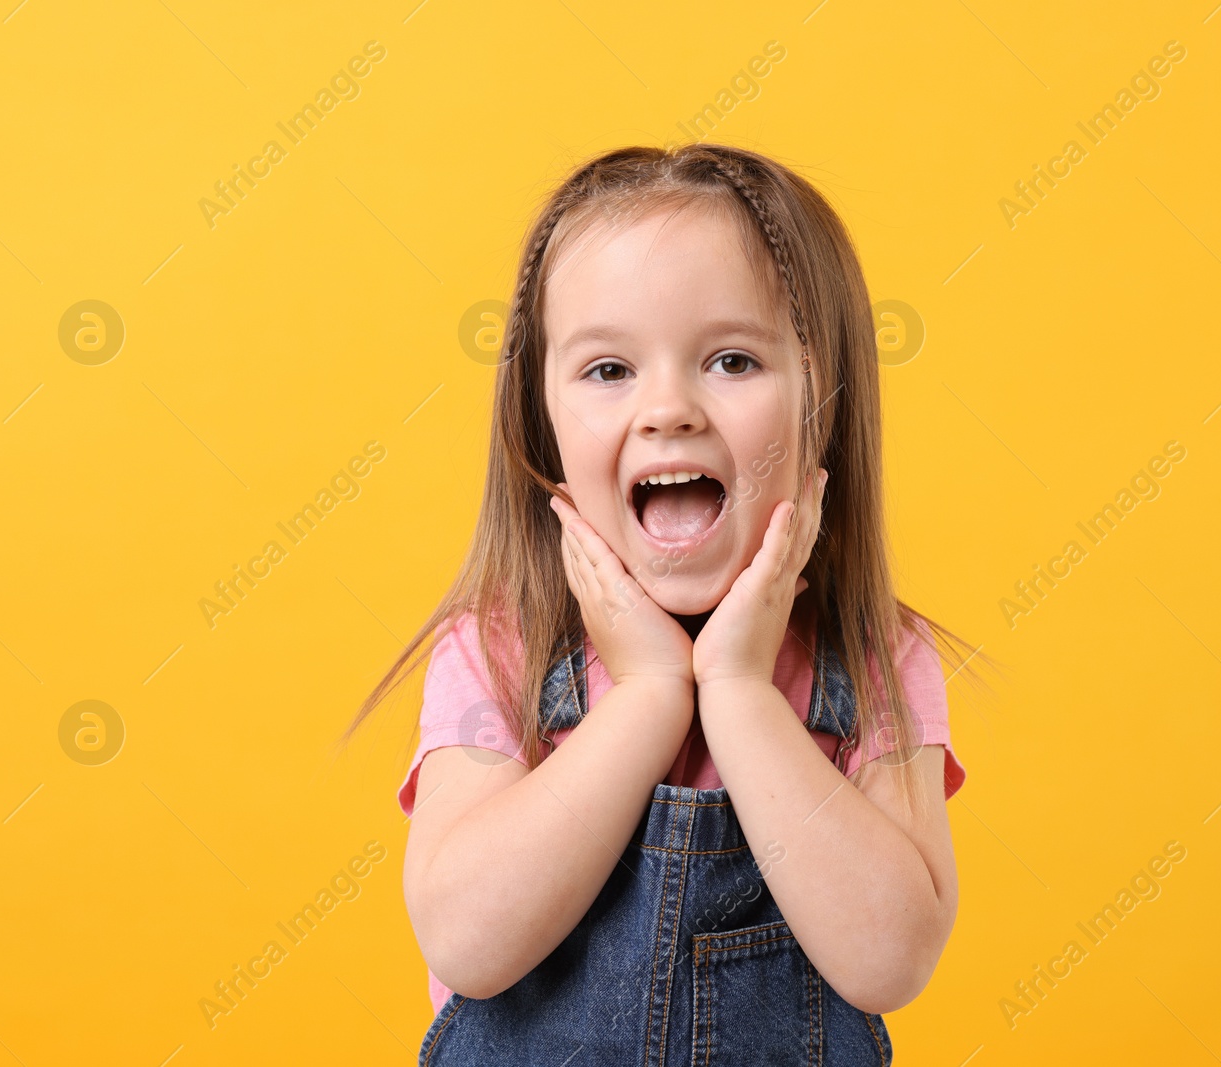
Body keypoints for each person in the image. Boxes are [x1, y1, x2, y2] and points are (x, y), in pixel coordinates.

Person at [343, 142, 995, 1064]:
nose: (668, 409)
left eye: (732, 360)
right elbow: (466, 942)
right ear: (543, 421)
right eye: (609, 371)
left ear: (827, 402)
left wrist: (736, 689)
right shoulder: (497, 653)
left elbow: (888, 959)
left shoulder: (875, 657)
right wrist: (651, 691)